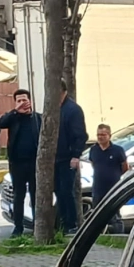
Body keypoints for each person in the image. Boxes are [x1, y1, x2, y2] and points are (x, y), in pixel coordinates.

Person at [0, 89, 41, 236]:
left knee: (36, 195)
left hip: (35, 164)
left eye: (24, 100)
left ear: (30, 101)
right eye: (19, 101)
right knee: (18, 196)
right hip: (17, 164)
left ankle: (38, 226)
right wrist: (15, 111)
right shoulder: (13, 118)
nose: (22, 103)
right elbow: (0, 123)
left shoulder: (37, 118)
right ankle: (18, 227)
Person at [54, 82, 87, 232]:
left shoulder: (72, 110)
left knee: (66, 191)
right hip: (56, 157)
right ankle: (62, 221)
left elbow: (80, 135)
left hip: (67, 157)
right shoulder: (55, 108)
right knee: (58, 191)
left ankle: (71, 223)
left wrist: (75, 155)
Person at [87, 124, 128, 207]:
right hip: (98, 189)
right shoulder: (93, 150)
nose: (100, 137)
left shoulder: (118, 150)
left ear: (109, 136)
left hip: (113, 188)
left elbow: (125, 167)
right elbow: (93, 164)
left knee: (114, 214)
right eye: (98, 134)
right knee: (97, 213)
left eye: (103, 135)